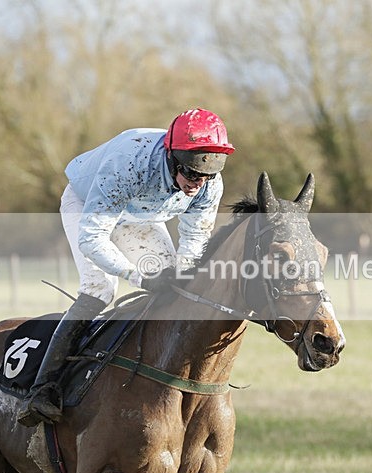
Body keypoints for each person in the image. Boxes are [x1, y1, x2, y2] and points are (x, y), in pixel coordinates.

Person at [17, 108, 235, 426]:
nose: (197, 185)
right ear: (172, 158)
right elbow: (92, 239)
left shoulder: (208, 185)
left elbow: (194, 240)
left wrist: (182, 272)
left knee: (176, 287)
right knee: (101, 289)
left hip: (140, 217)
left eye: (206, 176)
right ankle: (43, 388)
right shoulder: (129, 163)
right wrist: (139, 276)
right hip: (88, 206)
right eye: (190, 174)